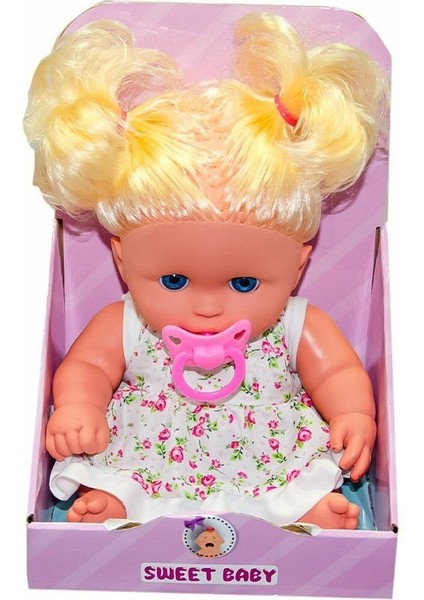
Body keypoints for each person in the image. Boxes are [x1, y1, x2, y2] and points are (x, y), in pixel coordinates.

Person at [24, 12, 387, 528]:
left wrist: (353, 413)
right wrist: (78, 407)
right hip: (150, 453)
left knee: (299, 481)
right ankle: (121, 507)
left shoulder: (294, 323)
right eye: (174, 281)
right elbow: (87, 368)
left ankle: (299, 510)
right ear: (121, 258)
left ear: (299, 264)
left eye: (244, 283)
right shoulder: (125, 321)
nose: (209, 306)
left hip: (267, 454)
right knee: (116, 477)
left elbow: (337, 371)